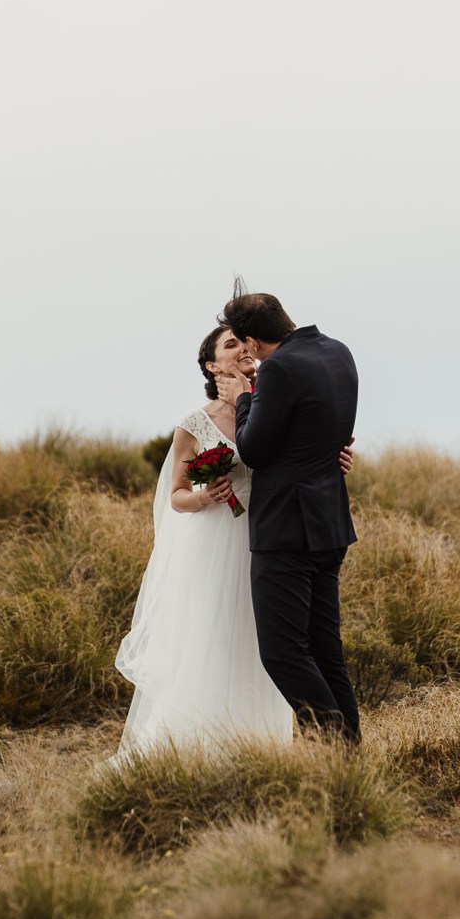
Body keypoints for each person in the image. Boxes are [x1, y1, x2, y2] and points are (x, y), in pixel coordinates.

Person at [110, 323, 354, 761]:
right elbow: (177, 497)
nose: (242, 348)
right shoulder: (194, 424)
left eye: (243, 342)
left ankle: (261, 749)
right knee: (218, 640)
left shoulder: (268, 401)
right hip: (219, 544)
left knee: (268, 648)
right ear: (211, 364)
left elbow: (295, 455)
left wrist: (330, 456)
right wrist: (205, 495)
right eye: (229, 344)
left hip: (276, 538)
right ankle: (197, 751)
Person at [212, 286, 362, 746]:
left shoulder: (278, 367)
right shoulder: (338, 351)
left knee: (282, 654)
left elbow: (254, 449)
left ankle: (333, 744)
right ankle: (347, 760)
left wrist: (242, 398)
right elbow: (327, 428)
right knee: (325, 652)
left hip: (286, 532)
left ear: (253, 342)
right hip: (330, 522)